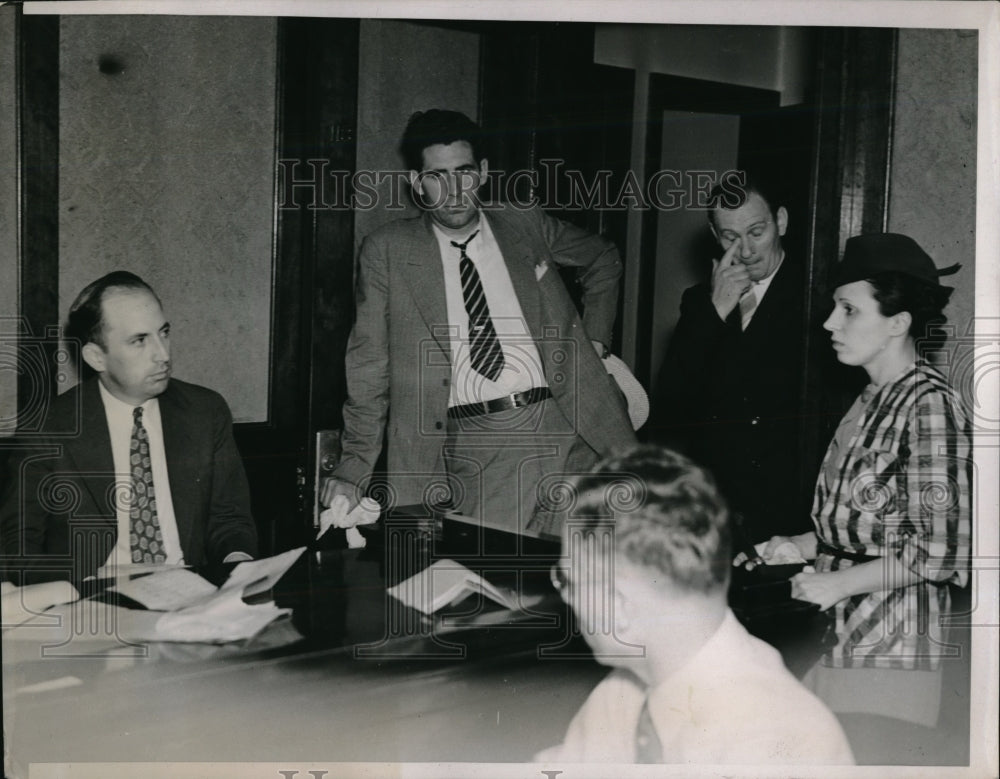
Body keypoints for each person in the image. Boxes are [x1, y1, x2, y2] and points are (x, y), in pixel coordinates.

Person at [322, 109, 635, 536]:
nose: (453, 191)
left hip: (575, 423)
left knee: (594, 586)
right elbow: (369, 368)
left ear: (483, 173)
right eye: (437, 176)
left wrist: (595, 343)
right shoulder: (388, 252)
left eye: (464, 173)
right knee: (499, 586)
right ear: (417, 184)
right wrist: (354, 465)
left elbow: (602, 259)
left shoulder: (523, 222)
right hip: (482, 443)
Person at [746, 233, 971, 736]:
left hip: (888, 654)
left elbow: (942, 550)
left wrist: (838, 583)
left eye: (848, 310)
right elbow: (863, 527)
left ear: (898, 323)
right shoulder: (870, 397)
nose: (829, 322)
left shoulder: (929, 404)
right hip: (828, 641)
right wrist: (798, 545)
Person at [537, 445, 854, 765]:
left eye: (566, 579)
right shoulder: (625, 690)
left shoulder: (768, 742)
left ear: (617, 606)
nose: (565, 595)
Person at [0, 272, 258, 584]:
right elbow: (18, 547)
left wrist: (237, 565)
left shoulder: (205, 411)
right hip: (92, 604)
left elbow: (229, 520)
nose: (163, 355)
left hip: (190, 594)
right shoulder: (47, 428)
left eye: (164, 333)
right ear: (97, 357)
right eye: (139, 341)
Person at [648, 170, 809, 544]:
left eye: (757, 232)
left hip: (788, 504)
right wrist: (715, 312)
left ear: (780, 222)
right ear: (714, 234)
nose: (747, 251)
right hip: (718, 504)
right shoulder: (698, 301)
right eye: (730, 237)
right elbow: (671, 403)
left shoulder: (815, 293)